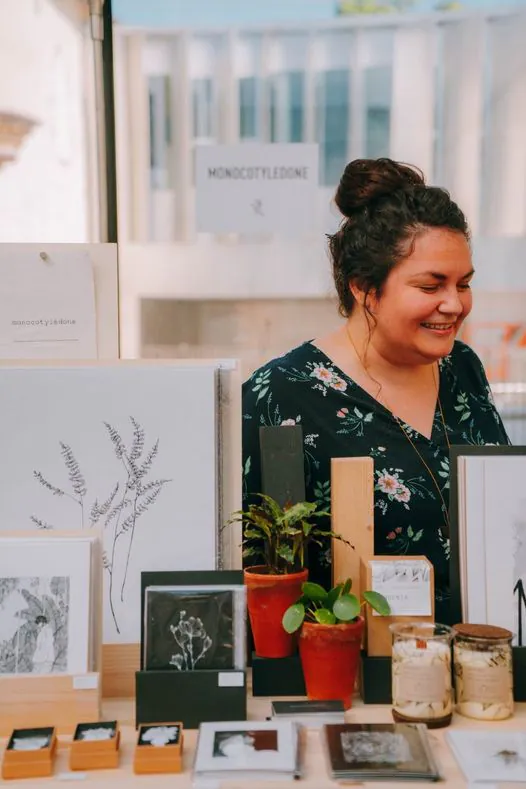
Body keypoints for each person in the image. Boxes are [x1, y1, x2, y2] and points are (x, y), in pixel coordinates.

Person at [242, 157, 510, 625]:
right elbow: (253, 570)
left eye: (464, 284)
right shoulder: (281, 394)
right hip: (354, 675)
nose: (455, 304)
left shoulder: (462, 369)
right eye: (432, 285)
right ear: (366, 289)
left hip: (480, 661)